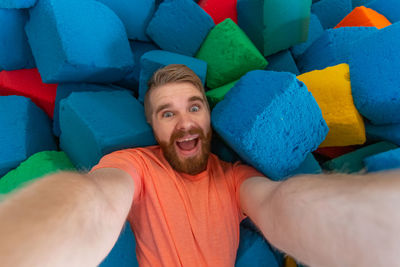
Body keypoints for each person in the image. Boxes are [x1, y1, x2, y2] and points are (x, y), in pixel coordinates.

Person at [0, 64, 400, 267]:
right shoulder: (133, 164)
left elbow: (280, 205)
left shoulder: (235, 179)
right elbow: (96, 200)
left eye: (194, 107)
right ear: (153, 127)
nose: (185, 122)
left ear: (209, 116)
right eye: (167, 113)